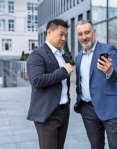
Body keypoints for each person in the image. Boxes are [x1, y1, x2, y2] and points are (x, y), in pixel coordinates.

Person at [74, 20, 117, 149]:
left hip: (110, 108)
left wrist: (109, 71)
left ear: (94, 32)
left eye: (87, 32)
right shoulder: (78, 57)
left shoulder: (108, 49)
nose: (84, 37)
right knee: (96, 146)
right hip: (88, 110)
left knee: (116, 146)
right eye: (80, 34)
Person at [26, 19, 74, 149]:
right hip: (47, 114)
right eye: (61, 34)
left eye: (66, 35)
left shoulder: (63, 56)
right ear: (49, 32)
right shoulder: (37, 55)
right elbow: (36, 81)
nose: (64, 38)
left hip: (64, 111)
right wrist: (64, 71)